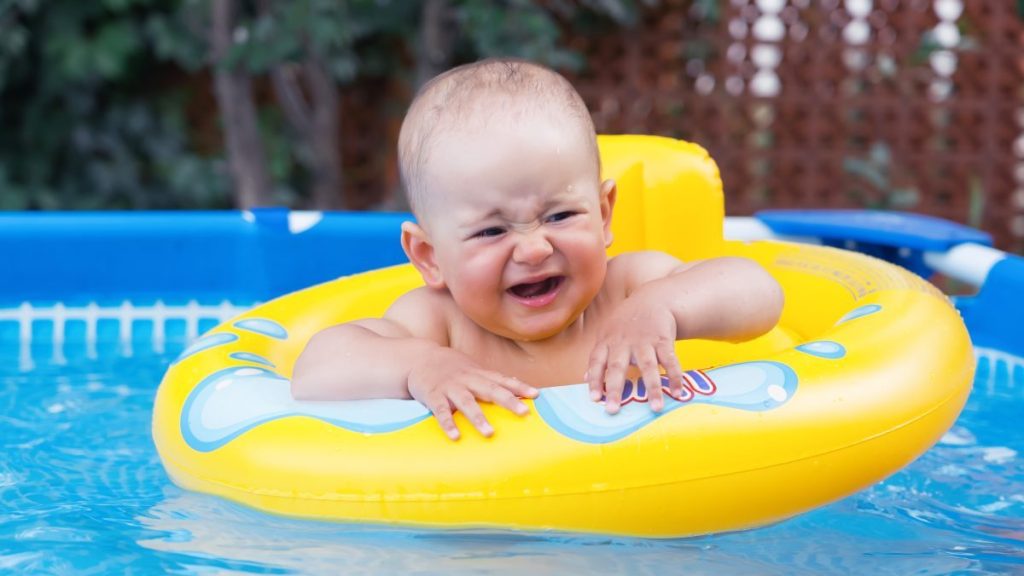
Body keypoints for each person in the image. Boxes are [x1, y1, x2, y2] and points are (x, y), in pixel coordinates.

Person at [291, 58, 784, 440]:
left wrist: (663, 307)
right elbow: (317, 369)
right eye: (490, 232)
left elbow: (759, 292)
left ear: (605, 214)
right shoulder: (438, 325)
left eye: (561, 216)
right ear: (430, 257)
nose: (532, 249)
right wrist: (422, 366)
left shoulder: (632, 288)